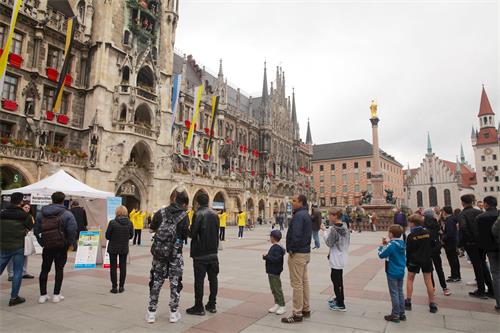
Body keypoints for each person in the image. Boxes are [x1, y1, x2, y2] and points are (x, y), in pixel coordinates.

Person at [146, 191, 189, 324]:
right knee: (175, 284)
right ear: (184, 203)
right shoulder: (184, 216)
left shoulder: (160, 212)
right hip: (175, 256)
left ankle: (151, 313)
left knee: (156, 282)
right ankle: (173, 313)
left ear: (174, 199)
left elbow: (151, 228)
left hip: (159, 255)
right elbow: (184, 235)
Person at [34, 191, 77, 304]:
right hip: (61, 246)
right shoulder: (67, 214)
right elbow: (72, 230)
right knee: (59, 269)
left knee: (44, 269)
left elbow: (36, 231)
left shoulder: (41, 213)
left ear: (51, 199)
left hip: (47, 246)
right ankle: (56, 295)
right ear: (63, 200)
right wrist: (69, 243)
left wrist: (42, 242)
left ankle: (43, 295)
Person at [187, 193, 220, 316]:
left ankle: (199, 306)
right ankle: (212, 304)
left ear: (197, 203)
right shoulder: (215, 214)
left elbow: (193, 233)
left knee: (199, 281)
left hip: (200, 253)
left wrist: (188, 229)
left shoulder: (198, 214)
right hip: (213, 253)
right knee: (213, 279)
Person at [281, 194, 312, 324]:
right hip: (305, 252)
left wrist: (292, 249)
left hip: (298, 254)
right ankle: (305, 309)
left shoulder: (299, 216)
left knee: (297, 284)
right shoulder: (306, 214)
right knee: (304, 282)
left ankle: (297, 313)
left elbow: (296, 235)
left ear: (300, 202)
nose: (292, 203)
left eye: (294, 201)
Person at [0, 192, 33, 306]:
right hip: (18, 246)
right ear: (20, 202)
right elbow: (29, 227)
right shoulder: (25, 215)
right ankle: (14, 298)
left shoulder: (2, 213)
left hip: (3, 245)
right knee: (18, 271)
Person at [458, 194, 493, 299]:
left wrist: (464, 243)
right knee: (483, 265)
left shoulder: (462, 214)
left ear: (463, 203)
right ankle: (491, 289)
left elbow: (463, 228)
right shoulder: (479, 212)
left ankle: (481, 290)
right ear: (472, 202)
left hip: (471, 243)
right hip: (481, 243)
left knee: (477, 266)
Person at [405, 214, 437, 313]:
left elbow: (408, 250)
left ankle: (408, 302)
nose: (408, 224)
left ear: (413, 223)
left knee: (410, 280)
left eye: (409, 222)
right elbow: (433, 245)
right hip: (426, 259)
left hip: (414, 260)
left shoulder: (411, 236)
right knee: (428, 281)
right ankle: (432, 304)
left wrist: (408, 261)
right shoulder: (428, 233)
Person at [321, 208, 350, 312]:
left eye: (330, 215)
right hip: (342, 256)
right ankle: (338, 298)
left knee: (336, 280)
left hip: (336, 257)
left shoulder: (334, 229)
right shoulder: (345, 226)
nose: (328, 217)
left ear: (335, 216)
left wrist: (324, 232)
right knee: (337, 279)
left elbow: (329, 243)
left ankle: (340, 303)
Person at [378, 225, 406, 323]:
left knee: (394, 293)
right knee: (400, 291)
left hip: (392, 271)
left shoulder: (392, 245)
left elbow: (381, 255)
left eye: (388, 232)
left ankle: (395, 314)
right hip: (401, 271)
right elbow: (393, 246)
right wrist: (388, 243)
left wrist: (381, 246)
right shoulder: (402, 243)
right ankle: (402, 313)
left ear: (391, 234)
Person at [476, 196, 499, 309]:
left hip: (490, 248)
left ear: (486, 204)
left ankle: (498, 300)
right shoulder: (498, 214)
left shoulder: (481, 217)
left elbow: (479, 234)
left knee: (496, 274)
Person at [105, 205, 134, 294]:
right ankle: (121, 287)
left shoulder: (112, 222)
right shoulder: (130, 223)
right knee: (123, 267)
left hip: (113, 247)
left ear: (117, 212)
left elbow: (107, 236)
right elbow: (131, 236)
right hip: (124, 247)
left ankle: (114, 287)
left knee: (113, 267)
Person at [423, 208, 450, 296]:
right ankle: (444, 287)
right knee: (439, 268)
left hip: (426, 250)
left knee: (429, 270)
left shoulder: (423, 225)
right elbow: (441, 233)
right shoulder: (436, 223)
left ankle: (432, 288)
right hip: (435, 248)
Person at [7, 201, 35, 281]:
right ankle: (11, 274)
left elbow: (31, 225)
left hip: (24, 238)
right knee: (12, 257)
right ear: (21, 207)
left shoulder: (29, 216)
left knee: (25, 255)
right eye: (25, 207)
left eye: (29, 208)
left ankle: (23, 272)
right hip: (14, 239)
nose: (27, 209)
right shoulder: (16, 215)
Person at [263, 230, 286, 315]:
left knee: (277, 289)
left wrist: (266, 257)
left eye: (270, 237)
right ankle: (277, 303)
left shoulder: (277, 248)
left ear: (273, 238)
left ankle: (282, 305)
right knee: (273, 289)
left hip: (275, 271)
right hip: (271, 271)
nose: (270, 238)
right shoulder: (275, 246)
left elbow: (276, 259)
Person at [442, 206, 461, 283]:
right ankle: (455, 274)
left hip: (450, 243)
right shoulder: (453, 218)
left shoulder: (449, 220)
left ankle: (455, 276)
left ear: (445, 212)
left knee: (452, 260)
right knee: (454, 259)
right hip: (453, 242)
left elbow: (450, 233)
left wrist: (443, 237)